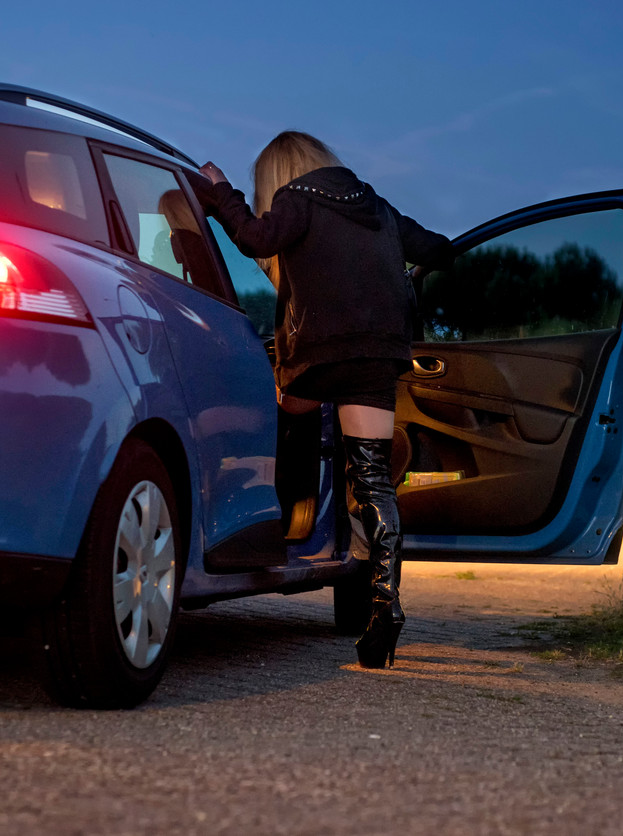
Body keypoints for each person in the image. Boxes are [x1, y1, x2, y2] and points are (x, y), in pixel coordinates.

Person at [192, 131, 452, 669]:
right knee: (374, 478)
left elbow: (254, 239)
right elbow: (439, 249)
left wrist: (221, 194)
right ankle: (384, 604)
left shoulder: (296, 200)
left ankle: (280, 518)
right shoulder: (375, 205)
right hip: (378, 354)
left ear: (279, 175)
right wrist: (395, 276)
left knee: (291, 423)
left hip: (320, 356)